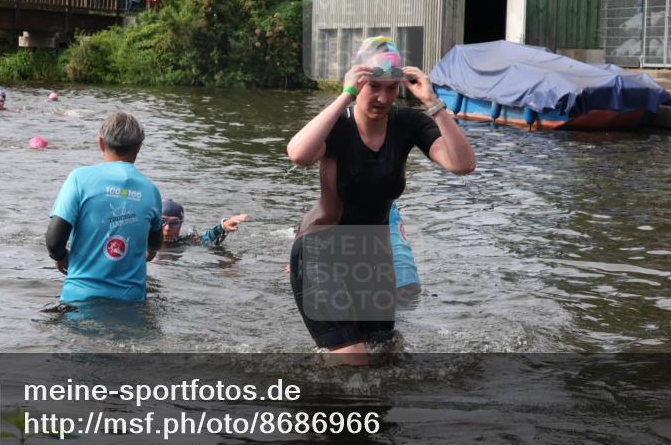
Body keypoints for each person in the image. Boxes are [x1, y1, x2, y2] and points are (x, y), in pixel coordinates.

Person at [286, 36, 475, 360]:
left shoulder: (408, 123)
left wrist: (433, 103)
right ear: (358, 82)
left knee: (384, 357)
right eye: (374, 86)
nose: (383, 97)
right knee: (354, 358)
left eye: (391, 88)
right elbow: (299, 154)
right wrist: (343, 96)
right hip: (321, 249)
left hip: (371, 254)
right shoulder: (338, 126)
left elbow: (462, 164)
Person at [46, 112, 163, 303]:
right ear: (139, 147)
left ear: (101, 143)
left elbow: (53, 240)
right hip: (131, 302)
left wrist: (60, 256)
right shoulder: (151, 191)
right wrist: (150, 251)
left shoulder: (79, 179)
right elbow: (155, 243)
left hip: (79, 298)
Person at [157, 199, 248, 247]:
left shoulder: (187, 240)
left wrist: (223, 227)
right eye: (162, 221)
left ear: (181, 224)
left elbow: (207, 239)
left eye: (174, 223)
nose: (167, 228)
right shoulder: (144, 239)